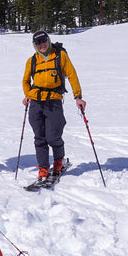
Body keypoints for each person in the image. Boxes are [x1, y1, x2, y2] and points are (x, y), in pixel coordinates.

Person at [22, 30, 86, 184]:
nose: (42, 45)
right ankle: (43, 167)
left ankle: (58, 160)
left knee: (53, 135)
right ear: (34, 45)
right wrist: (28, 94)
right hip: (36, 102)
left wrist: (78, 97)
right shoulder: (32, 61)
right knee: (39, 136)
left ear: (48, 40)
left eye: (44, 41)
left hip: (54, 100)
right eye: (38, 43)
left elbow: (72, 75)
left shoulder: (59, 56)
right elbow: (25, 80)